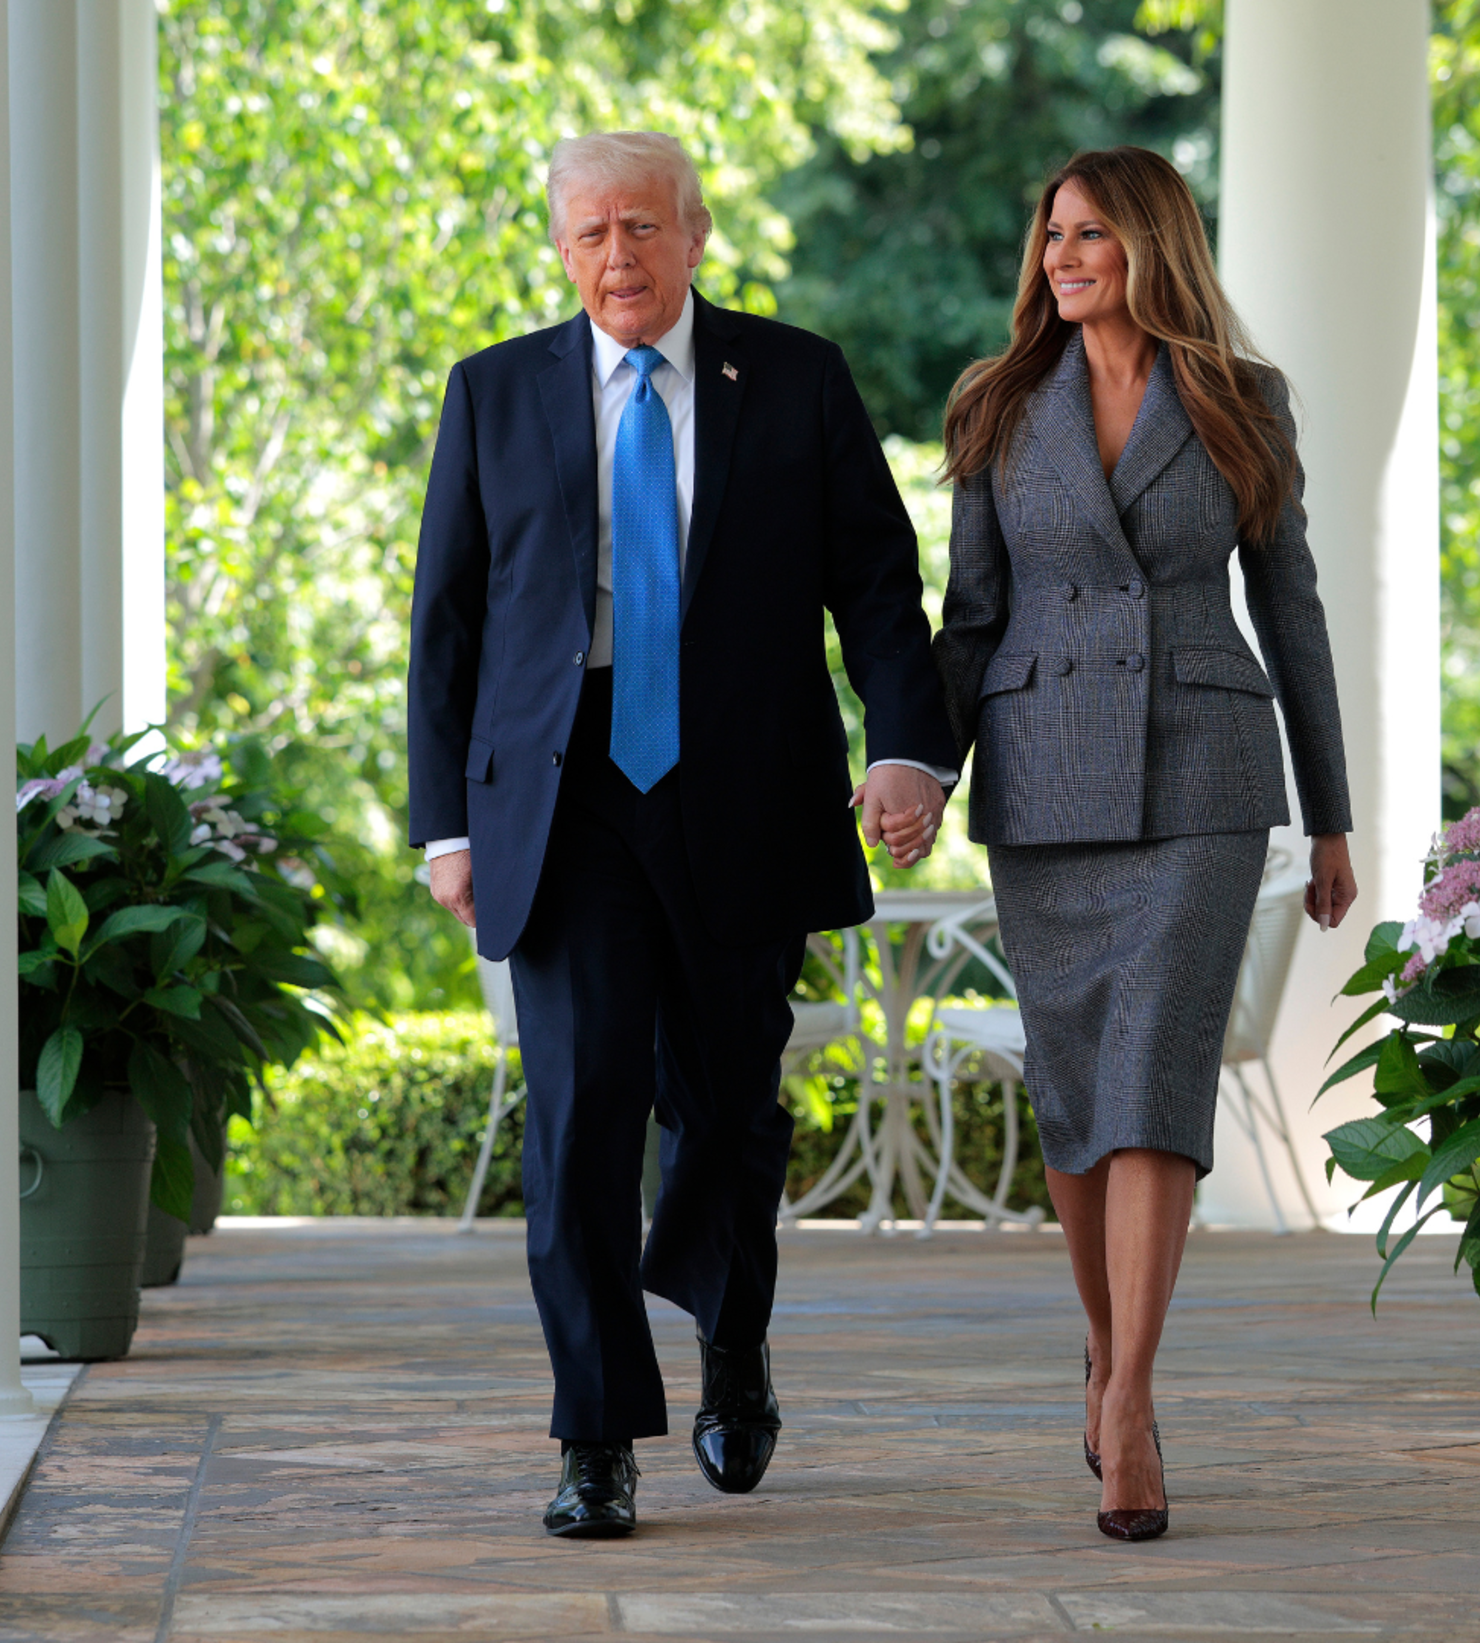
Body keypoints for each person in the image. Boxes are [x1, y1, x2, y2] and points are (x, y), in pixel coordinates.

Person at [407, 130, 957, 1539]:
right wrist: (443, 826)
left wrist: (907, 750)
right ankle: (596, 1433)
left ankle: (730, 1338)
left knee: (726, 1107)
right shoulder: (492, 394)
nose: (617, 259)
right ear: (561, 250)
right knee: (580, 1113)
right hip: (561, 789)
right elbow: (448, 629)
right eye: (590, 235)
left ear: (698, 234)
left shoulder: (795, 378)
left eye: (641, 229)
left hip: (744, 786)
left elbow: (881, 590)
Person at [925, 147, 1357, 1543]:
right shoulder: (994, 409)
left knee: (1156, 1071)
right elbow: (970, 616)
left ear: (1154, 243)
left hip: (1204, 770)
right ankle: (1105, 1353)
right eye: (1052, 232)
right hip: (1045, 772)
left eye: (1092, 232)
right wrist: (921, 763)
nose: (1064, 255)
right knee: (1071, 1088)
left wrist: (1332, 809)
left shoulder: (1242, 399)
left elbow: (1291, 607)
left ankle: (1132, 1404)